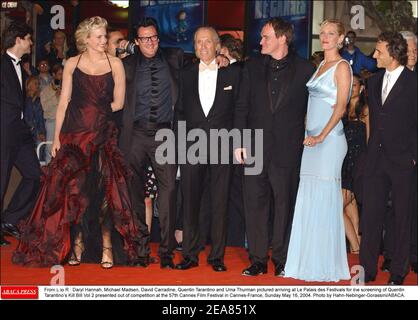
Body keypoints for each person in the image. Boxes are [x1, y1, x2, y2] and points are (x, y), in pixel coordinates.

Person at [12, 16, 140, 268]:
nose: (104, 40)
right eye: (100, 36)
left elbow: (119, 102)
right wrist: (57, 138)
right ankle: (77, 246)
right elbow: (63, 104)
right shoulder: (72, 63)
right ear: (87, 39)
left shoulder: (115, 63)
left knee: (105, 195)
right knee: (74, 194)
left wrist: (97, 117)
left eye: (105, 36)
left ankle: (106, 247)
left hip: (103, 135)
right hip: (74, 138)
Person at [119, 17, 228, 269]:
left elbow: (204, 56)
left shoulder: (175, 57)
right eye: (144, 38)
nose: (150, 42)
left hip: (165, 134)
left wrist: (222, 58)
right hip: (134, 135)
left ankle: (167, 252)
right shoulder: (126, 65)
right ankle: (141, 250)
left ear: (159, 37)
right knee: (135, 193)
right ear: (137, 41)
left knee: (168, 194)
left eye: (154, 37)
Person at [234, 18, 315, 276]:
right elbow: (241, 107)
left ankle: (281, 259)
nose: (260, 42)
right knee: (254, 205)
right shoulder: (252, 66)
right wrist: (238, 141)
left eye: (266, 37)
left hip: (287, 150)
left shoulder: (305, 70)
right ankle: (257, 259)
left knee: (284, 206)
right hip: (254, 147)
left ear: (282, 38)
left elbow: (313, 111)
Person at [284, 19, 352, 282]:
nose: (325, 37)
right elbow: (311, 105)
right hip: (311, 142)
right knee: (309, 198)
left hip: (330, 141)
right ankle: (306, 261)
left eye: (331, 33)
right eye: (322, 33)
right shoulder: (320, 65)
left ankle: (324, 263)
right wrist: (307, 132)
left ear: (340, 39)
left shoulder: (342, 67)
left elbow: (341, 108)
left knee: (324, 198)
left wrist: (321, 135)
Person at [174, 27, 241, 272]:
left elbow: (239, 111)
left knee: (220, 202)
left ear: (217, 46)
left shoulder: (232, 73)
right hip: (192, 147)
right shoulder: (185, 74)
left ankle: (216, 257)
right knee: (190, 201)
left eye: (207, 42)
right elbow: (179, 112)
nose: (202, 46)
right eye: (198, 42)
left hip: (223, 145)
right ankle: (190, 255)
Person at [360, 32, 417, 285]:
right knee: (371, 216)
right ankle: (367, 270)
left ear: (393, 55)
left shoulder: (414, 82)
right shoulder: (373, 82)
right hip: (376, 159)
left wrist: (414, 156)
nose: (374, 56)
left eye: (379, 52)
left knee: (403, 218)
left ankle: (398, 273)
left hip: (403, 161)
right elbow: (373, 120)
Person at [1, 21, 41, 247]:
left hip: (21, 133)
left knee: (35, 175)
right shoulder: (2, 65)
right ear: (19, 40)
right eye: (29, 39)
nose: (31, 43)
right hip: (4, 132)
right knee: (1, 180)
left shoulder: (22, 68)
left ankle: (9, 219)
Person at [341, 74, 369, 254]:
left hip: (357, 164)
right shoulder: (341, 110)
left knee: (335, 208)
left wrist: (368, 165)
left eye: (355, 85)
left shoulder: (365, 110)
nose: (352, 88)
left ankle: (357, 247)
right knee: (350, 210)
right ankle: (356, 251)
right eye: (349, 85)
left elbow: (370, 139)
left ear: (362, 88)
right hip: (342, 162)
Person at [40, 63, 63, 164]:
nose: (61, 76)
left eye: (63, 74)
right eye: (59, 74)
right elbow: (44, 107)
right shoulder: (45, 90)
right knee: (50, 147)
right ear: (53, 75)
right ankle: (48, 172)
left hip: (64, 121)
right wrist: (55, 97)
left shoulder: (67, 88)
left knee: (63, 147)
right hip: (51, 121)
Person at [24, 76, 46, 147]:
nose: (37, 86)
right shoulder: (24, 100)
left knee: (40, 153)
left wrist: (41, 132)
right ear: (29, 85)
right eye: (35, 83)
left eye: (38, 84)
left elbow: (41, 118)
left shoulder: (38, 100)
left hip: (38, 131)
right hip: (27, 132)